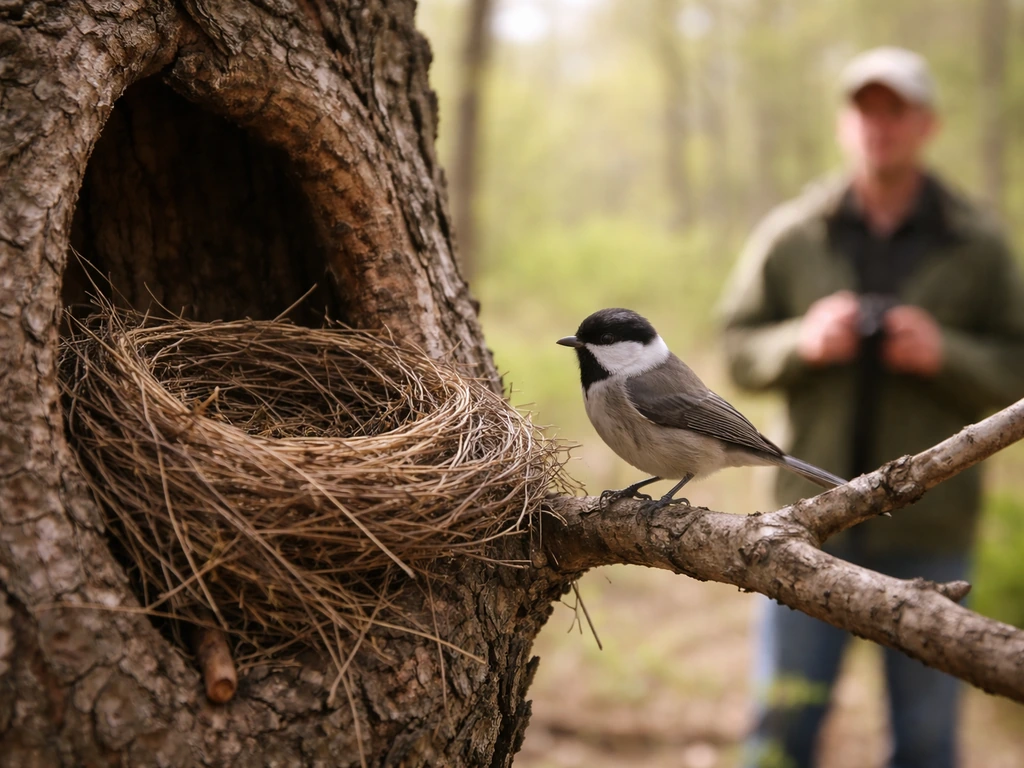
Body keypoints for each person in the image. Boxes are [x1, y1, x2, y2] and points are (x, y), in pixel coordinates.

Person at [718, 46, 1024, 768]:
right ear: (843, 125)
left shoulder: (979, 245)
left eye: (898, 110)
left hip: (932, 524)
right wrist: (803, 339)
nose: (880, 126)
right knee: (783, 724)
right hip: (804, 520)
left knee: (926, 742)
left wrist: (942, 351)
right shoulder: (794, 234)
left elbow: (1018, 368)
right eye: (866, 110)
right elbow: (736, 347)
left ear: (928, 125)